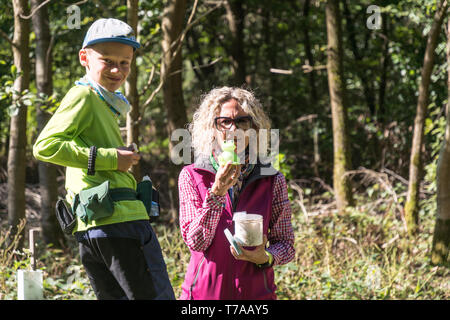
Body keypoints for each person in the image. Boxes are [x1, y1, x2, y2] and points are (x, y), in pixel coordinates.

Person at [33, 18, 175, 300]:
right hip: (119, 224)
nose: (116, 69)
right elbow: (45, 146)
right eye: (107, 60)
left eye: (125, 63)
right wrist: (112, 159)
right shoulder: (85, 95)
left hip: (96, 227)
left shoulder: (105, 102)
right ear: (84, 58)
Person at [178, 87, 295, 300]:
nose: (234, 130)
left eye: (242, 121)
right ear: (211, 128)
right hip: (204, 296)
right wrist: (217, 191)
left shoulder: (271, 179)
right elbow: (196, 242)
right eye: (225, 122)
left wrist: (266, 257)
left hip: (257, 296)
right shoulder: (192, 176)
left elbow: (286, 245)